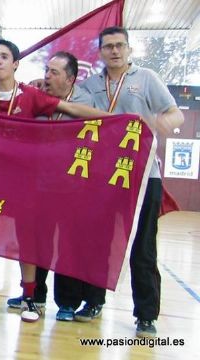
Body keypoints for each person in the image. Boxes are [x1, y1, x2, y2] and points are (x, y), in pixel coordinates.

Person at [0, 39, 109, 323]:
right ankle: (34, 296)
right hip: (36, 186)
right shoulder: (33, 95)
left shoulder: (82, 101)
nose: (47, 76)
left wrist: (118, 118)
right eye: (47, 71)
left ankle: (66, 302)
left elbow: (79, 115)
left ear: (70, 78)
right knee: (34, 240)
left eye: (54, 72)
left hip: (72, 188)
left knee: (67, 243)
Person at [81, 26, 184, 338]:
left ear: (129, 49)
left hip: (143, 176)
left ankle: (146, 315)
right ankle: (93, 301)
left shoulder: (146, 78)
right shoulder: (90, 85)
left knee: (143, 247)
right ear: (100, 52)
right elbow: (77, 114)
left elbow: (175, 114)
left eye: (119, 45)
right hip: (102, 177)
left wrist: (159, 123)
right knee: (97, 244)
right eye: (108, 46)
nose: (114, 51)